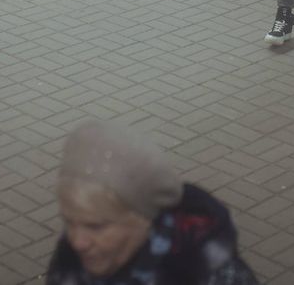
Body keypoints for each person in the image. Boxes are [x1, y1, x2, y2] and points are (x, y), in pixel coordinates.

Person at [44, 119, 261, 285]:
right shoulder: (70, 259)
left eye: (96, 226)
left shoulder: (215, 274)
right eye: (69, 222)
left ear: (143, 218)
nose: (77, 241)